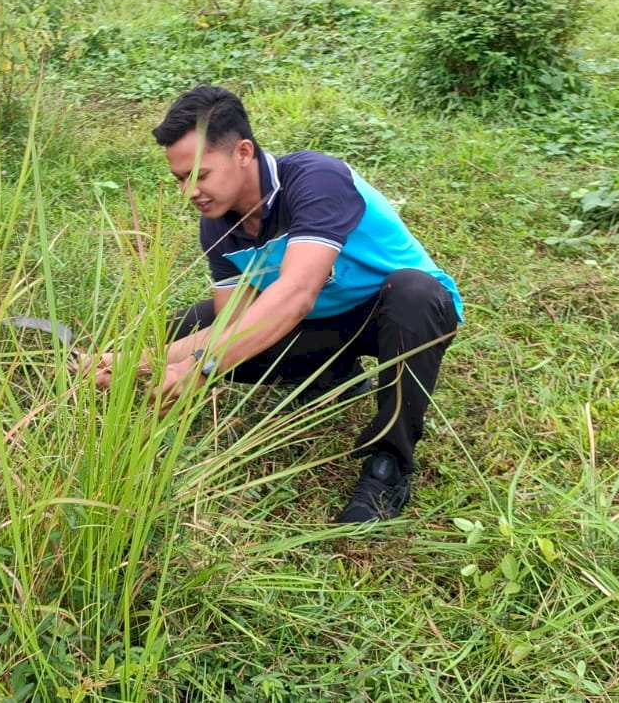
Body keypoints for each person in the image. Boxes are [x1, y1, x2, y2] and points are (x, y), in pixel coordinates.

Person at [94, 87, 463, 523]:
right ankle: (336, 374)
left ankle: (389, 464)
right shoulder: (218, 225)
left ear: (243, 152)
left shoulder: (315, 180)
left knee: (414, 292)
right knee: (193, 322)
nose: (189, 191)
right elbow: (230, 324)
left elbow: (296, 293)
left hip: (394, 314)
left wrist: (202, 366)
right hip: (321, 321)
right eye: (180, 178)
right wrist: (135, 361)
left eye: (200, 174)